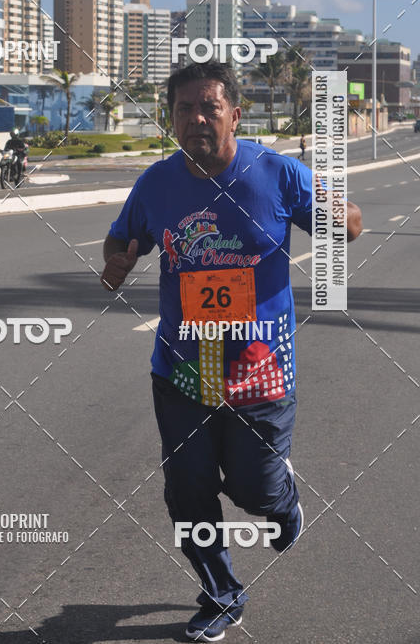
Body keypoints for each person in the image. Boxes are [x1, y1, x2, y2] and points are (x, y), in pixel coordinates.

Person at [100, 62, 362, 642]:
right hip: (183, 369)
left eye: (209, 108)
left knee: (254, 489)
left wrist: (340, 217)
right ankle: (221, 595)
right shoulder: (157, 183)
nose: (196, 119)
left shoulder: (276, 174)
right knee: (187, 492)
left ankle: (283, 501)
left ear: (234, 115)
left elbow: (349, 223)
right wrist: (118, 258)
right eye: (184, 109)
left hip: (260, 373)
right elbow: (122, 234)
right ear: (170, 118)